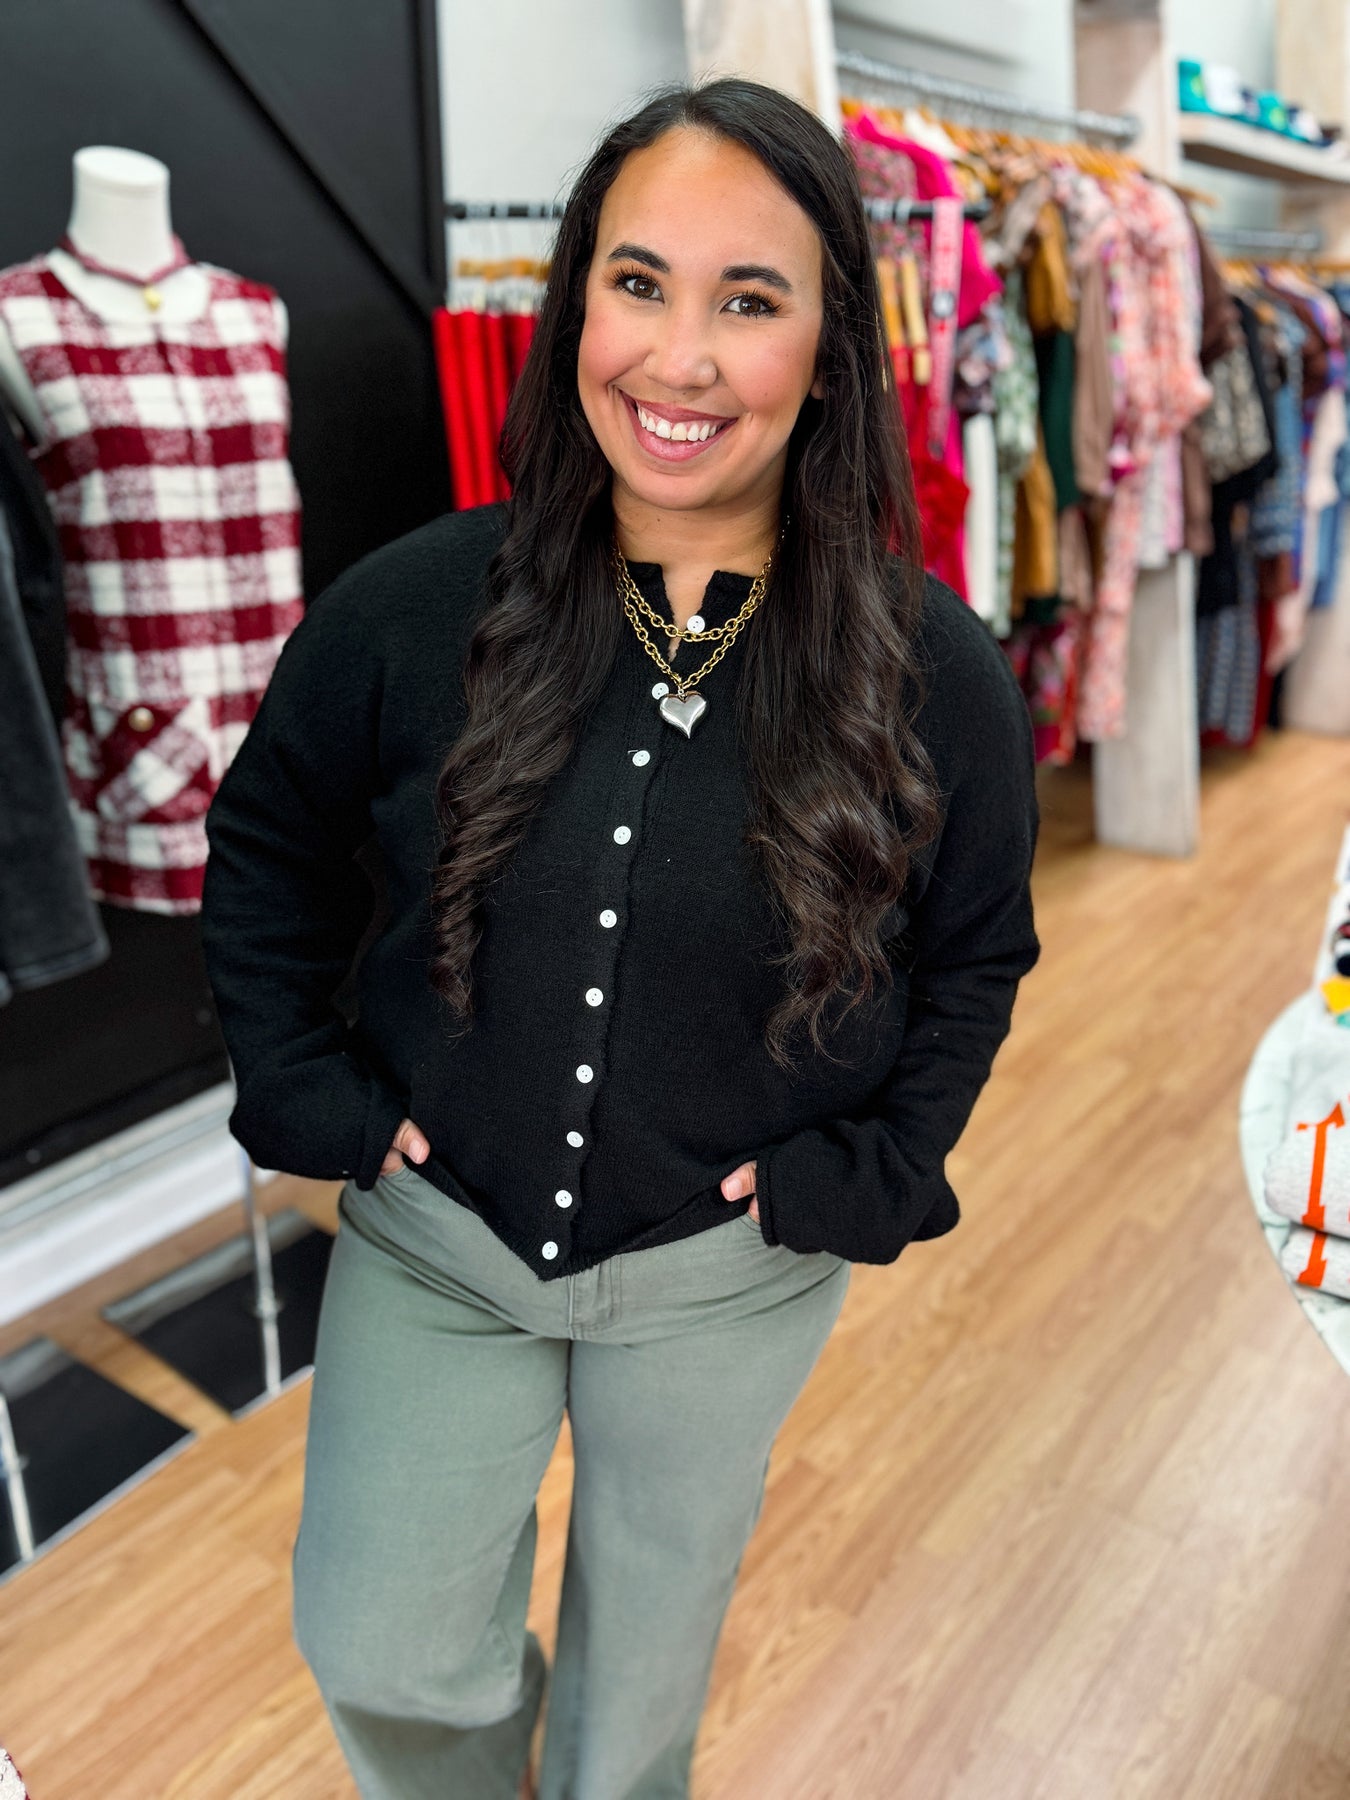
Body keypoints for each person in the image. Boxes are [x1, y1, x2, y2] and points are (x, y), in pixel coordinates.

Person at [199, 75, 1040, 1800]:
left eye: (749, 300)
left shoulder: (930, 666)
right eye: (638, 282)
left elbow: (973, 950)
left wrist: (880, 1165)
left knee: (640, 1685)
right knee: (379, 1637)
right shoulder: (411, 607)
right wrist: (308, 1085)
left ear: (830, 349)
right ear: (575, 296)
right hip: (441, 1235)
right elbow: (268, 845)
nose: (678, 358)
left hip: (726, 1266)